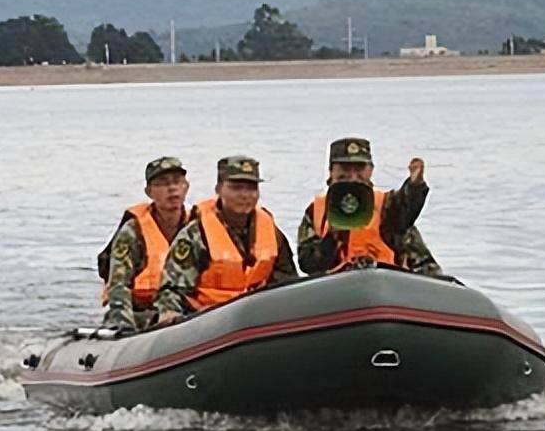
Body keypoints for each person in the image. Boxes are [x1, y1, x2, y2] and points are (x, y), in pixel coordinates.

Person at [153, 156, 298, 327]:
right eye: (236, 188)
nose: (245, 195)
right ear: (219, 189)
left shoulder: (271, 231)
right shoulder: (196, 234)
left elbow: (287, 280)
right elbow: (172, 288)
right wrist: (170, 313)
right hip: (206, 321)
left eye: (251, 188)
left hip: (256, 317)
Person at [296, 137, 440, 275]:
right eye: (344, 168)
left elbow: (405, 208)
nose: (352, 175)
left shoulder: (386, 205)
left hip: (387, 280)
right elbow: (307, 264)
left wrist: (415, 186)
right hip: (334, 288)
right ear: (331, 171)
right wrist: (332, 237)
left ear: (370, 170)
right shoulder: (316, 212)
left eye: (359, 168)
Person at [100, 157, 191, 331]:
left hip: (187, 313)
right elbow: (119, 284)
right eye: (163, 183)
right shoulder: (133, 231)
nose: (172, 188)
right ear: (149, 192)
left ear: (186, 187)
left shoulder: (197, 227)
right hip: (141, 314)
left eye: (177, 182)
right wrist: (123, 326)